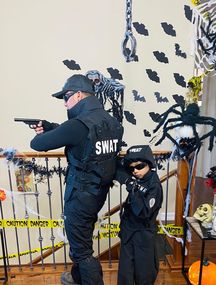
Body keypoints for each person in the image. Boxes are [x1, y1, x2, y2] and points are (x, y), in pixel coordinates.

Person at [30, 74, 124, 285]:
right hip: (97, 193)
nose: (65, 103)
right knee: (82, 240)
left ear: (79, 95)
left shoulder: (78, 125)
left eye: (66, 97)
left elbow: (38, 144)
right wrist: (50, 125)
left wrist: (39, 133)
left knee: (81, 250)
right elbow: (79, 137)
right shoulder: (110, 122)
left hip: (80, 196)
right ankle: (77, 278)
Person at [115, 145, 163, 285]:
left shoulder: (154, 185)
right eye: (132, 168)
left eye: (139, 166)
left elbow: (143, 212)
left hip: (143, 236)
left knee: (144, 275)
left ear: (149, 164)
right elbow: (118, 167)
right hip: (128, 232)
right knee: (125, 273)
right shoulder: (136, 177)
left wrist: (132, 187)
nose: (135, 171)